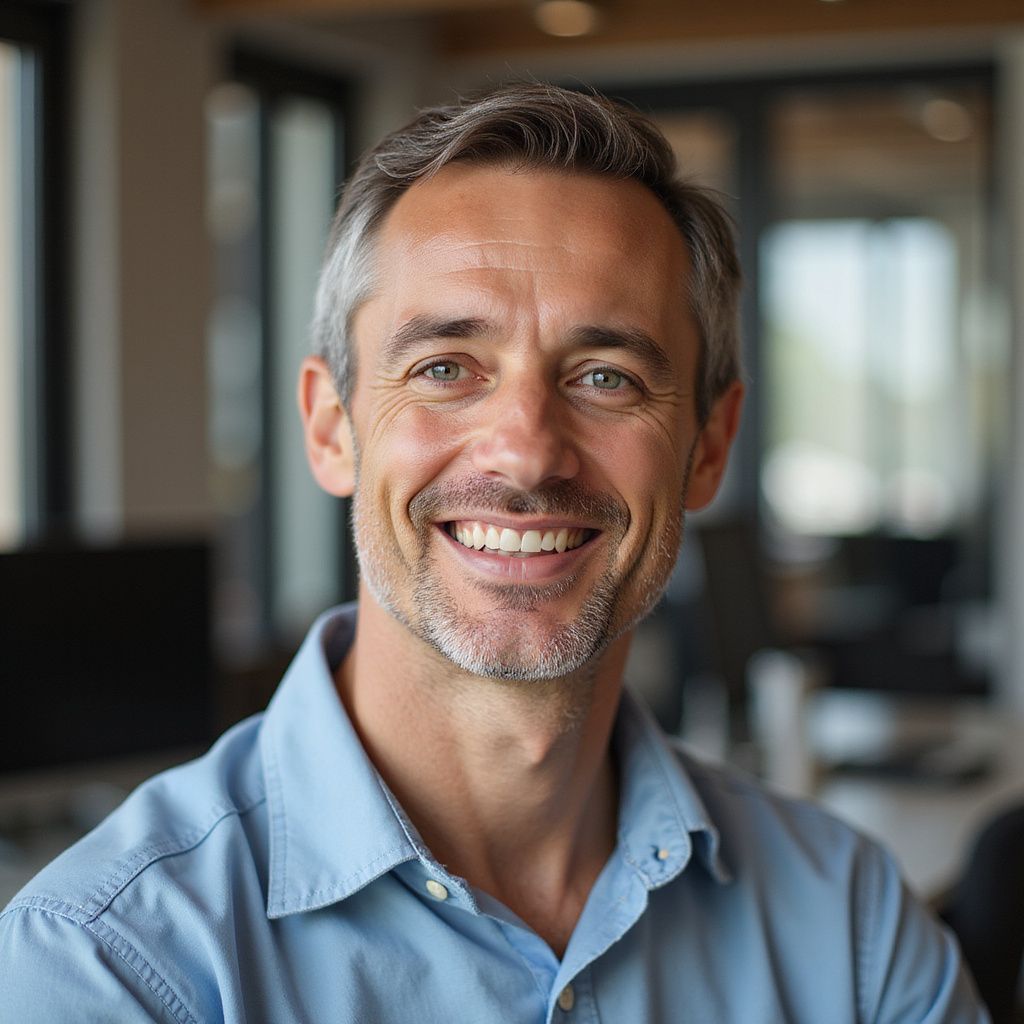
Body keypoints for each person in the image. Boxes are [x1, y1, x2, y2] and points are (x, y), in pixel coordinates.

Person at [0, 83, 987, 1023]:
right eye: (443, 368)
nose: (525, 448)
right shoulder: (108, 964)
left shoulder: (849, 924)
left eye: (604, 375)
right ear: (332, 426)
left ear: (709, 447)